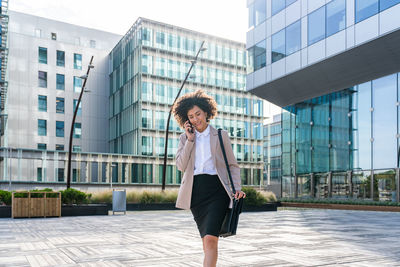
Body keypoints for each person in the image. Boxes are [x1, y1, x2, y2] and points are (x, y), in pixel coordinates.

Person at [172, 89, 245, 267]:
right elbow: (181, 166)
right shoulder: (184, 138)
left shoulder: (221, 135)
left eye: (198, 113)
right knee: (206, 241)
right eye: (191, 116)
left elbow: (232, 166)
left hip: (217, 190)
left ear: (206, 112)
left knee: (211, 239)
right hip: (196, 192)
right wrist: (190, 140)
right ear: (186, 119)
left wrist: (236, 189)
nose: (196, 119)